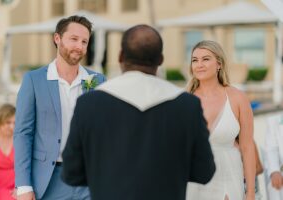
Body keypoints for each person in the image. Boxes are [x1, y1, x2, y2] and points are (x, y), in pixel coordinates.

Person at [61, 24, 216, 200]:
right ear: (160, 59)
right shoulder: (188, 105)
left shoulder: (89, 104)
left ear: (120, 56)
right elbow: (205, 172)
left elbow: (71, 173)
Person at [13, 15, 106, 200]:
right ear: (57, 38)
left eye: (84, 41)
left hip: (89, 179)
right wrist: (23, 185)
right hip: (49, 180)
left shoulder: (97, 81)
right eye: (74, 39)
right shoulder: (34, 80)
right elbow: (23, 133)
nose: (79, 46)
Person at [185, 40, 256, 200]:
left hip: (228, 175)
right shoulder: (185, 100)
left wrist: (250, 191)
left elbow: (247, 146)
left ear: (219, 64)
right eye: (195, 60)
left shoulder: (238, 98)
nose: (199, 64)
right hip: (193, 180)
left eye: (206, 59)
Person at [265, 113, 283, 200]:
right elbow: (271, 149)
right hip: (281, 172)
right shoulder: (274, 121)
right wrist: (275, 171)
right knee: (274, 187)